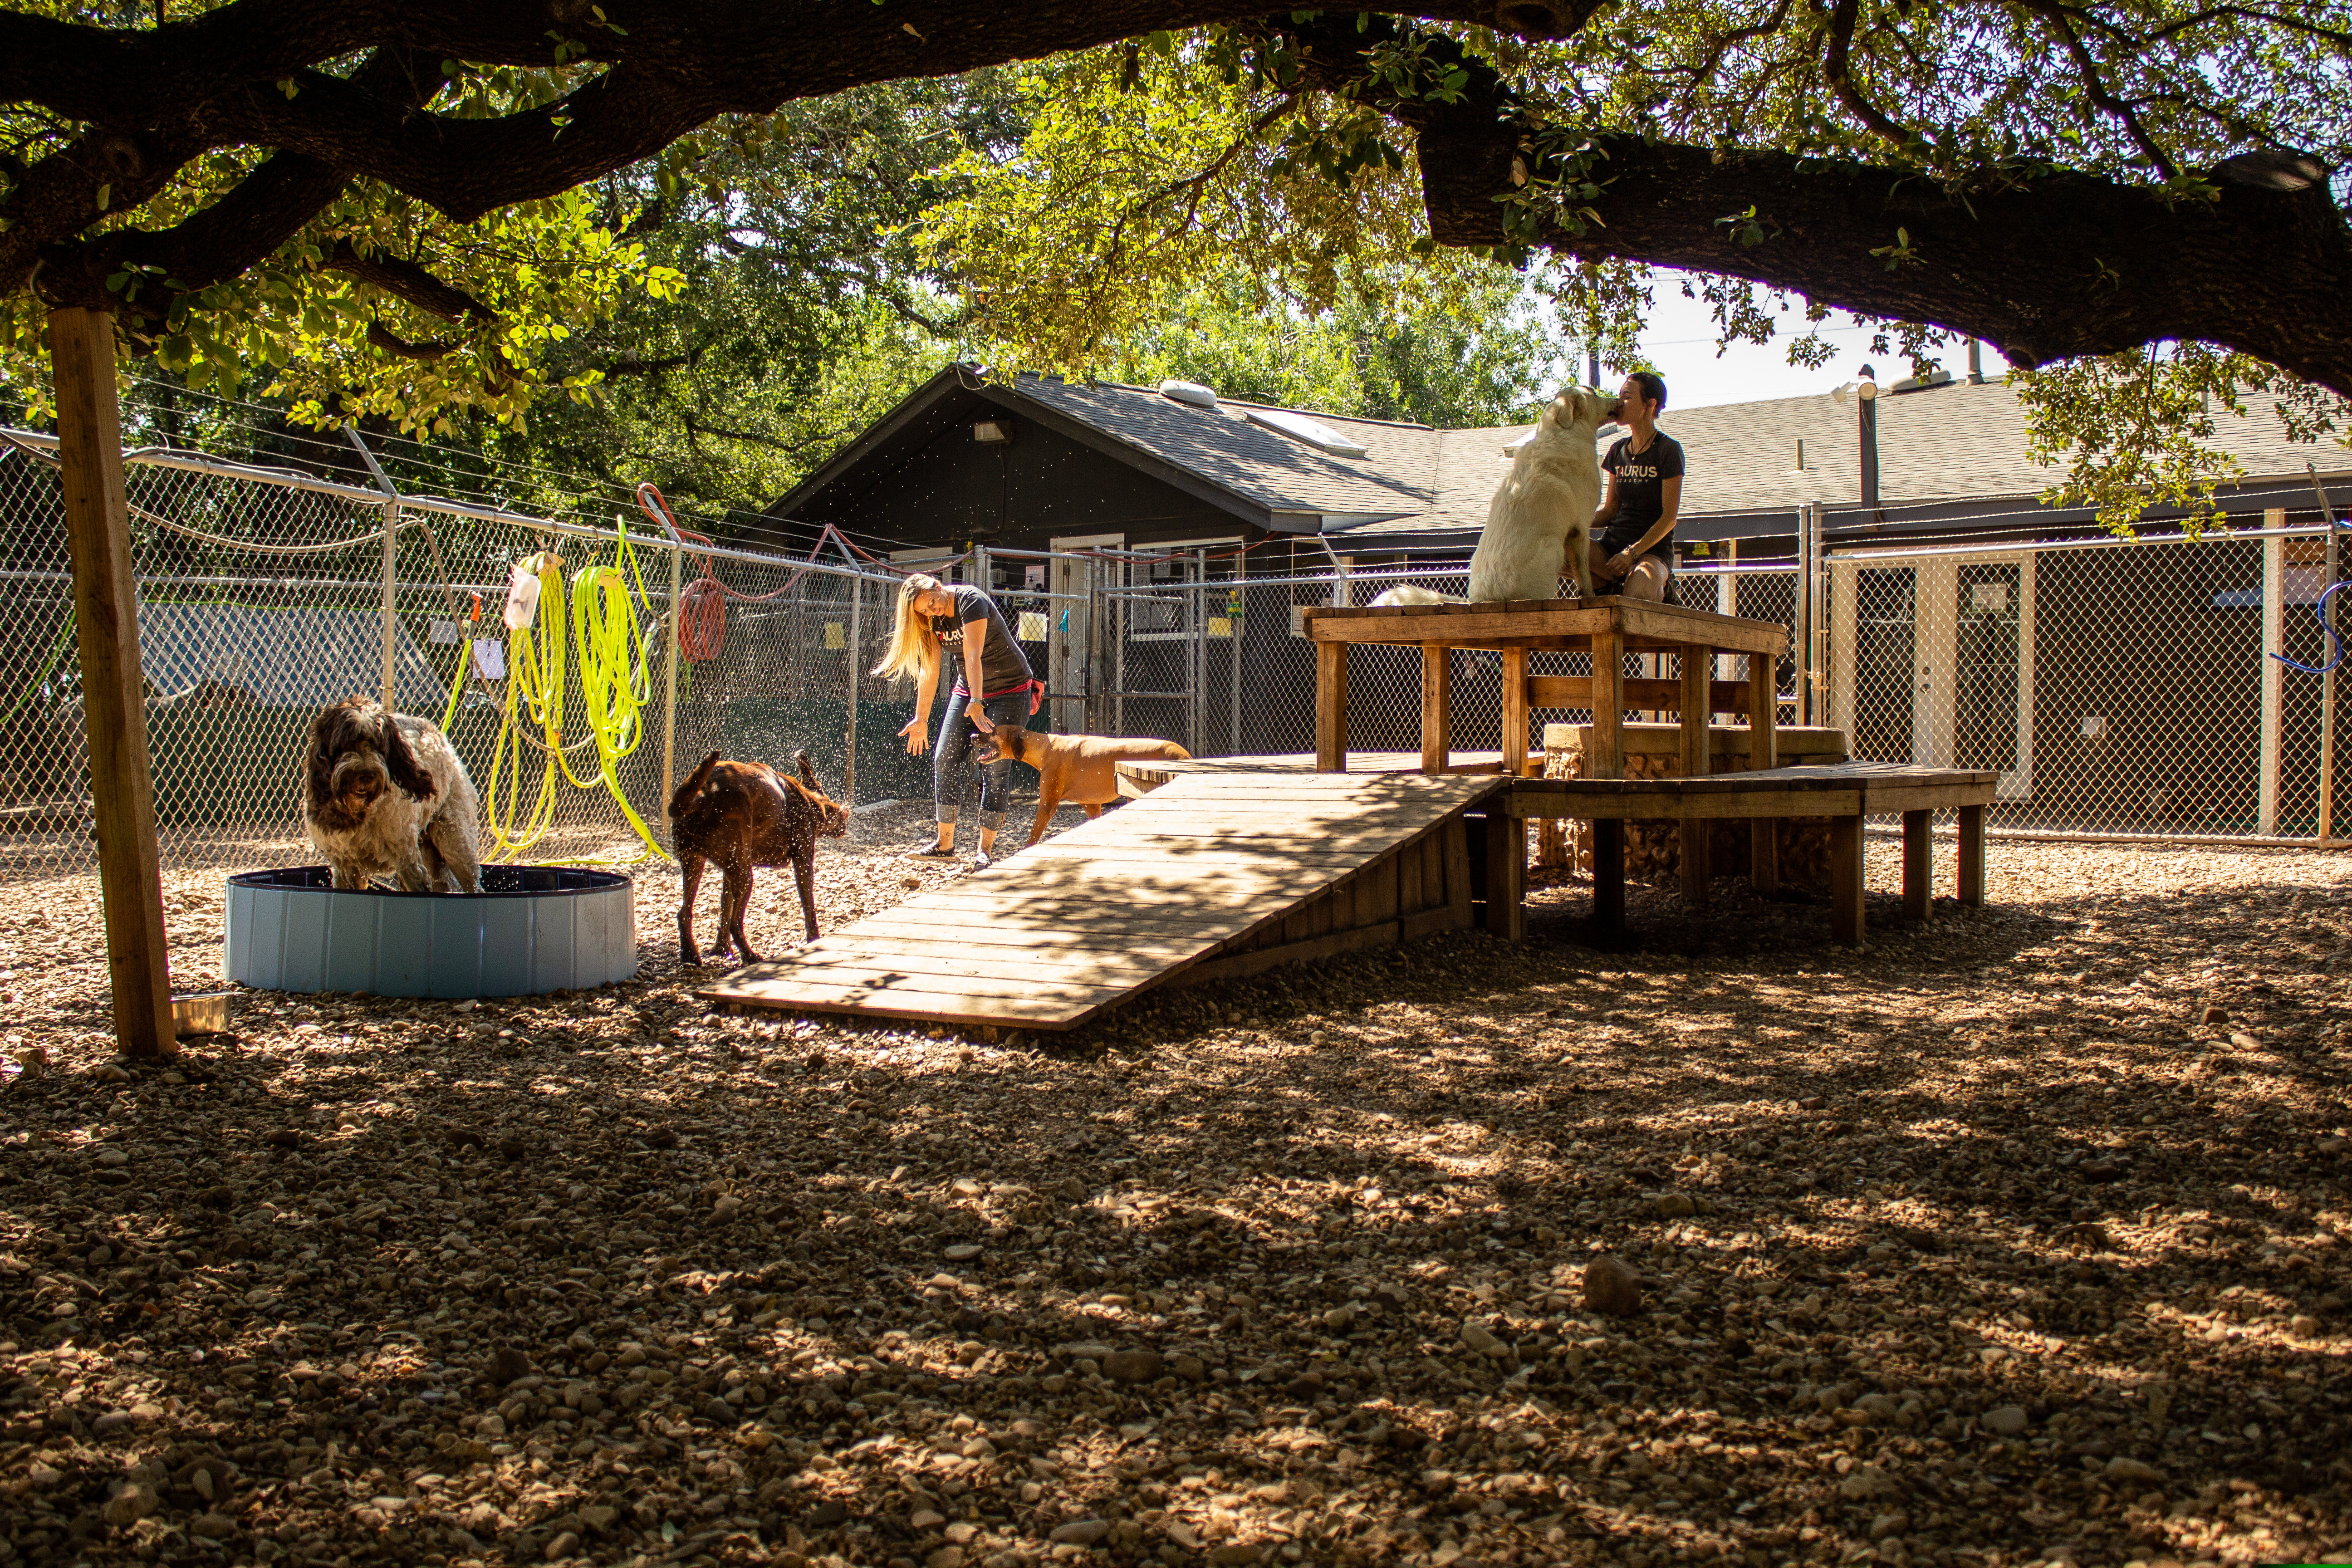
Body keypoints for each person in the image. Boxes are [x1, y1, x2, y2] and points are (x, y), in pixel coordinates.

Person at [870, 571, 1040, 868]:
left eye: (931, 603)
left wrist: (977, 702)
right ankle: (944, 845)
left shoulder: (970, 601)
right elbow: (930, 670)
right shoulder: (930, 621)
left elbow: (972, 654)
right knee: (944, 758)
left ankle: (985, 852)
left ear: (937, 586)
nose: (932, 611)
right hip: (968, 689)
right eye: (925, 611)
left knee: (995, 767)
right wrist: (921, 718)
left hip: (1010, 689)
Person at [1587, 371, 1683, 602]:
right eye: (1620, 395)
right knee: (1557, 549)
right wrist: (1571, 522)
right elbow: (1610, 511)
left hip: (1650, 552)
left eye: (1628, 397)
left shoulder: (1668, 450)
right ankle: (1606, 585)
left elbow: (1669, 518)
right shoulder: (1617, 450)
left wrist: (1632, 553)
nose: (1620, 402)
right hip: (1611, 548)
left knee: (1638, 595)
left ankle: (1662, 588)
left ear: (1650, 405)